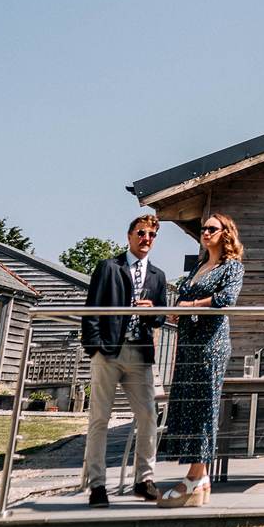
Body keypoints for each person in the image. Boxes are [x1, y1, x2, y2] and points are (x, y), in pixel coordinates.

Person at [157, 213, 245, 507]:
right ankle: (200, 477)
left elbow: (226, 299)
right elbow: (183, 299)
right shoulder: (199, 266)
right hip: (188, 342)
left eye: (211, 228)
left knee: (204, 406)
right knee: (188, 403)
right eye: (203, 228)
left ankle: (195, 476)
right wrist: (177, 311)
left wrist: (190, 305)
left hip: (211, 343)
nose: (205, 232)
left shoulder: (231, 268)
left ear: (225, 233)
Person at [81, 215, 168, 506]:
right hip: (108, 351)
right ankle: (97, 485)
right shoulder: (109, 267)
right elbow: (92, 309)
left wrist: (151, 310)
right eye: (142, 233)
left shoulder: (157, 276)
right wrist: (94, 347)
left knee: (147, 416)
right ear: (130, 236)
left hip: (140, 353)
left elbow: (160, 318)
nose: (147, 239)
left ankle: (144, 480)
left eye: (152, 235)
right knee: (100, 419)